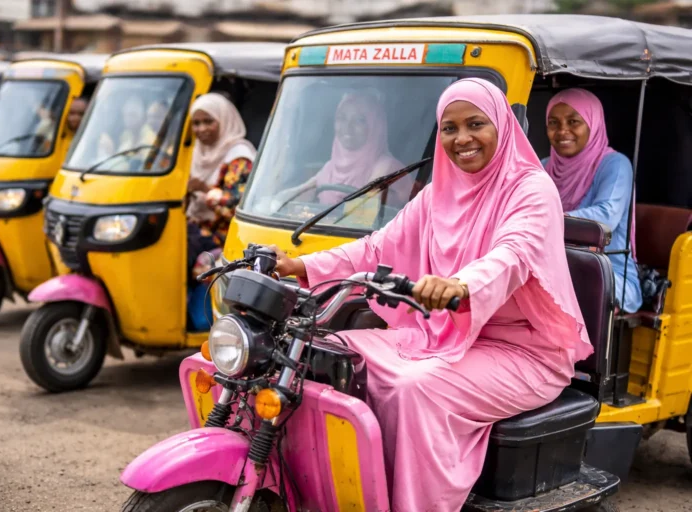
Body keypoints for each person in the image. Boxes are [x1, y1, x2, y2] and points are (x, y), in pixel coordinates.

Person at [270, 78, 593, 512]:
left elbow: (513, 254)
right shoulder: (439, 191)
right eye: (449, 128)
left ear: (501, 126)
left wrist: (461, 285)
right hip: (443, 333)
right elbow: (376, 248)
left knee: (413, 390)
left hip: (524, 350)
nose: (462, 139)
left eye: (475, 124)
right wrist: (300, 266)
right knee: (329, 351)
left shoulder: (531, 189)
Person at [543, 88, 642, 313]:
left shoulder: (615, 164)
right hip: (553, 269)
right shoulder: (542, 167)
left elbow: (607, 216)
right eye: (553, 123)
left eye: (573, 122)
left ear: (593, 124)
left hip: (606, 273)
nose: (562, 131)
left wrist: (548, 218)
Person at [275, 92, 409, 208]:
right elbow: (300, 193)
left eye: (359, 120)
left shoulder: (387, 167)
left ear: (375, 126)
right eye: (341, 118)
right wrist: (274, 202)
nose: (347, 127)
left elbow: (362, 212)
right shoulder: (331, 167)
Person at [186, 92, 256, 279]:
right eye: (196, 123)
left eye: (208, 121)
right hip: (199, 229)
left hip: (226, 236)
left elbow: (237, 208)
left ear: (224, 120)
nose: (201, 129)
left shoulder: (239, 157)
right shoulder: (194, 153)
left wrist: (205, 190)